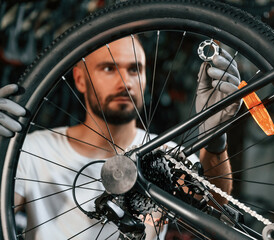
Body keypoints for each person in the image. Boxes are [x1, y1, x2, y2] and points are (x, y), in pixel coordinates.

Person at [0, 36, 241, 239]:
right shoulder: (32, 150)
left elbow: (213, 209)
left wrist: (214, 139)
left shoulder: (165, 152)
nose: (125, 82)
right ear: (80, 79)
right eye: (109, 68)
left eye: (135, 69)